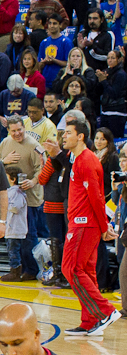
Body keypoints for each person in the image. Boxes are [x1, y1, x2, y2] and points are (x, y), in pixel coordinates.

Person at [61, 117, 122, 336]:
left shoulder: (86, 160)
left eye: (68, 132)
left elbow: (96, 197)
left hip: (84, 224)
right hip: (82, 223)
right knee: (86, 271)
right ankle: (89, 320)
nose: (64, 136)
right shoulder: (78, 158)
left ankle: (105, 311)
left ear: (80, 136)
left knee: (71, 269)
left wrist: (104, 225)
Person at [0, 115, 43, 282]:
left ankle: (32, 269)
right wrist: (4, 160)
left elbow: (42, 168)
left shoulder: (34, 145)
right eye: (13, 131)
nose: (17, 134)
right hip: (9, 197)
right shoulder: (5, 143)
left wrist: (33, 181)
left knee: (28, 235)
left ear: (25, 128)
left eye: (20, 130)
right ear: (8, 130)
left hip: (29, 198)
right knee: (13, 236)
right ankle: (18, 269)